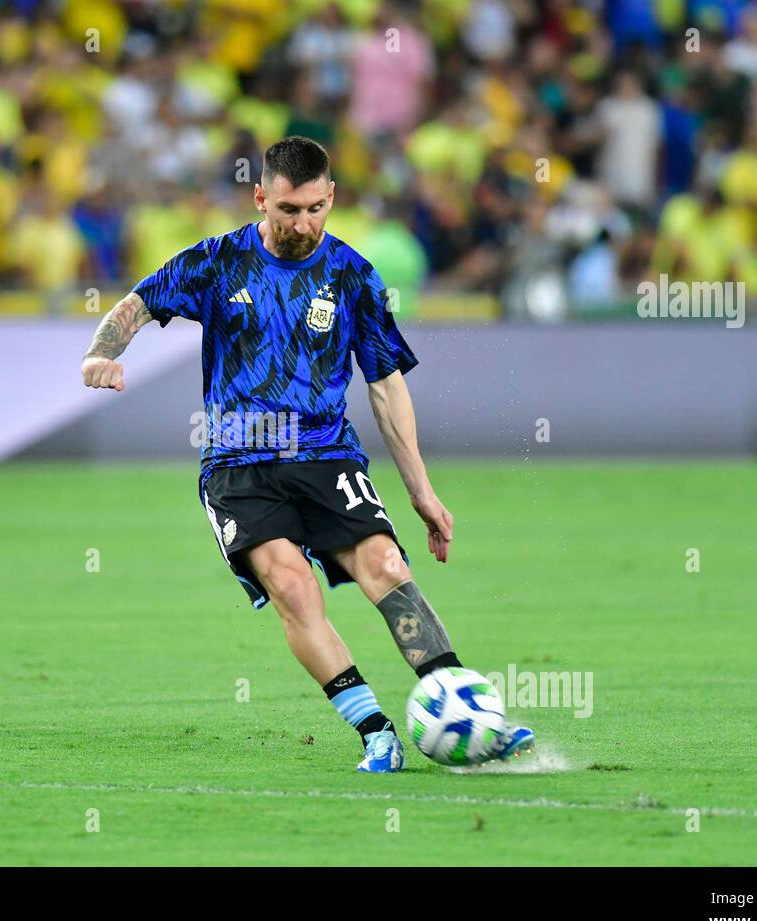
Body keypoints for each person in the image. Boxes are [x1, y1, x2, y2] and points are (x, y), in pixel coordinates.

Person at [79, 136, 533, 772]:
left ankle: (468, 714)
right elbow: (134, 306)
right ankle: (377, 732)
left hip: (326, 455)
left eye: (316, 209)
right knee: (293, 587)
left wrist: (422, 491)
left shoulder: (351, 275)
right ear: (261, 196)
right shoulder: (216, 262)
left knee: (387, 566)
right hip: (238, 466)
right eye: (289, 210)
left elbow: (385, 384)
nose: (303, 224)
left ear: (332, 197)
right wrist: (103, 353)